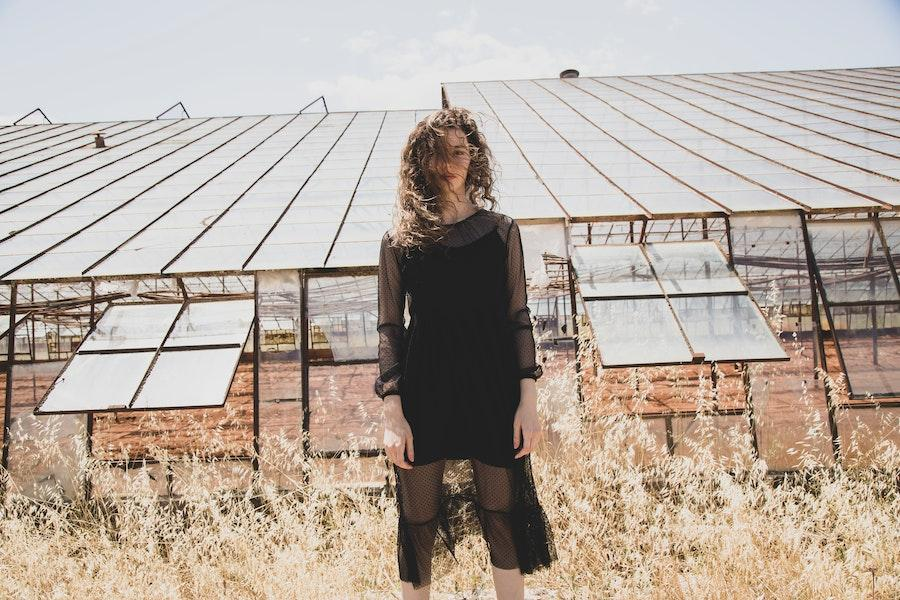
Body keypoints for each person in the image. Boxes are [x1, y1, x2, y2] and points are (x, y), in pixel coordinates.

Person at [374, 106, 557, 599]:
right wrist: (394, 411)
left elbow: (517, 320)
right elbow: (390, 327)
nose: (450, 162)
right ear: (420, 161)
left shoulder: (501, 232)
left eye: (460, 150)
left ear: (473, 157)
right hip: (425, 393)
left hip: (492, 392)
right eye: (438, 152)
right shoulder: (400, 241)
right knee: (418, 521)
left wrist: (528, 400)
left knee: (502, 517)